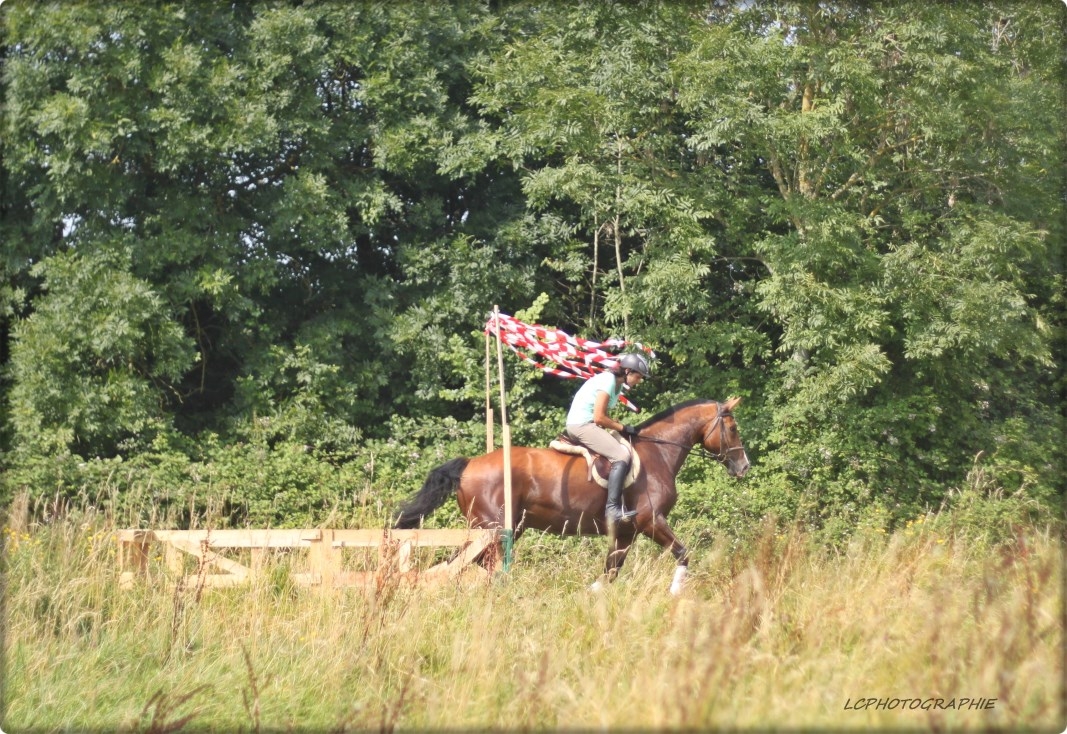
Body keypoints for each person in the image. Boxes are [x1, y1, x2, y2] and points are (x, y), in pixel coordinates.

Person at [565, 352, 651, 528]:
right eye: (638, 376)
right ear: (627, 371)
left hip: (587, 424)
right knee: (621, 455)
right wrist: (622, 427)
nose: (639, 380)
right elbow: (599, 417)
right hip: (581, 425)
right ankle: (612, 509)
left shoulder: (616, 385)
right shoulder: (608, 381)